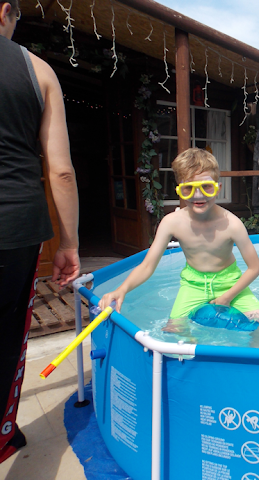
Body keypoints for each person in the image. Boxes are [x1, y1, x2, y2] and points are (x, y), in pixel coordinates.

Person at [0, 0, 80, 462]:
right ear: (6, 11)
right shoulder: (36, 70)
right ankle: (3, 435)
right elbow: (61, 172)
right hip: (13, 230)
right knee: (8, 343)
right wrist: (67, 244)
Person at [99, 148, 259, 331]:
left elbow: (254, 267)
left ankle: (258, 349)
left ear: (218, 188)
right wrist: (121, 290)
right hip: (193, 285)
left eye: (206, 186)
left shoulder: (232, 224)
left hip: (230, 283)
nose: (198, 195)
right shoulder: (172, 222)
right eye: (188, 188)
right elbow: (147, 266)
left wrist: (227, 297)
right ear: (179, 190)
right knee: (172, 330)